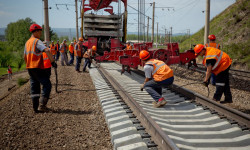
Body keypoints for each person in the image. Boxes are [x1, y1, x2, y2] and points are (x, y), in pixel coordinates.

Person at [24, 24, 57, 113]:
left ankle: (35, 108)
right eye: (40, 31)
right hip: (37, 67)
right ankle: (42, 105)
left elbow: (25, 56)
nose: (40, 33)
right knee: (47, 85)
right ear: (37, 31)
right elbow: (47, 50)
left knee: (34, 87)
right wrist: (53, 62)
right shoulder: (37, 41)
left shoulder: (27, 42)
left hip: (30, 68)